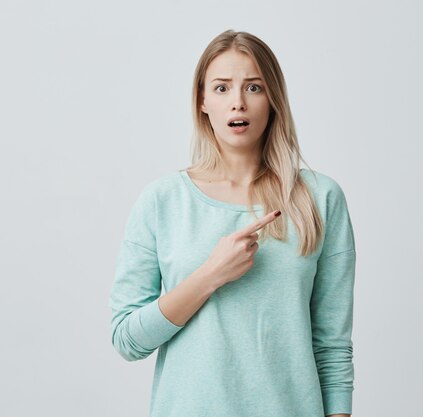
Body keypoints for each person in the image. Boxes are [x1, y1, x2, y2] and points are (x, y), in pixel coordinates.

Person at [108, 29, 356, 417]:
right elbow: (127, 340)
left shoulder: (320, 199)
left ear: (272, 98)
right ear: (202, 101)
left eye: (253, 88)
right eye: (222, 88)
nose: (237, 103)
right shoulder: (162, 201)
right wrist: (210, 274)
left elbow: (332, 347)